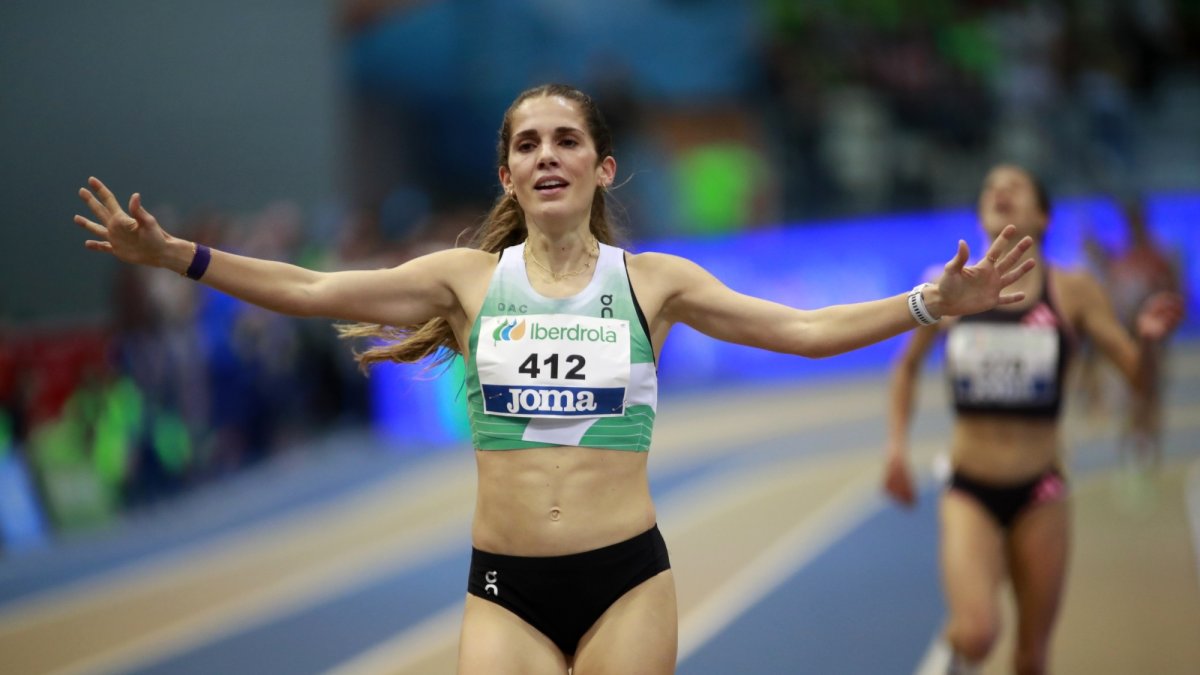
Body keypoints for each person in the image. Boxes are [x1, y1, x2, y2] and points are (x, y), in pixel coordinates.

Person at [76, 83, 1036, 675]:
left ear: (601, 166)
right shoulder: (464, 282)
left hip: (627, 580)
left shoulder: (653, 283)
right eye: (527, 144)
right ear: (506, 174)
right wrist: (180, 258)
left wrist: (928, 304)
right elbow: (312, 287)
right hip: (505, 586)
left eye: (565, 140)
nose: (546, 155)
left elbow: (802, 328)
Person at [881, 163, 1184, 675]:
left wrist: (1149, 345)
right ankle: (953, 658)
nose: (1000, 191)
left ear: (1042, 216)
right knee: (977, 632)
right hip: (969, 488)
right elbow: (906, 368)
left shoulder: (1075, 291)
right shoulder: (945, 288)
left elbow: (1139, 381)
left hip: (1041, 490)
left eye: (1015, 187)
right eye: (990, 187)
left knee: (1031, 657)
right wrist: (895, 447)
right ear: (979, 212)